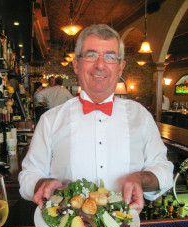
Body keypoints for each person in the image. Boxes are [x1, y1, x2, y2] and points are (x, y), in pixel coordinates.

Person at [19, 24, 173, 214]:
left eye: (110, 56)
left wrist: (140, 178)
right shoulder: (50, 120)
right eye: (91, 55)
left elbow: (164, 170)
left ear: (120, 68)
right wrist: (41, 183)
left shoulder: (141, 116)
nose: (100, 64)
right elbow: (28, 174)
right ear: (76, 65)